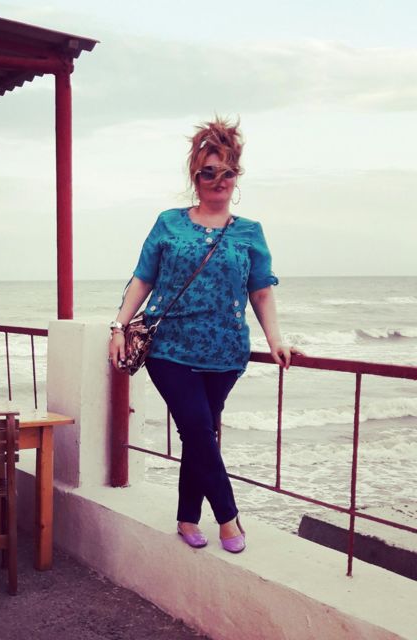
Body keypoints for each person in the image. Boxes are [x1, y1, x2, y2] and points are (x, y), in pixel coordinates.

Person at [108, 117, 301, 553]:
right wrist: (118, 326)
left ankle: (187, 517)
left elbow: (261, 292)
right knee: (197, 429)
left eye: (227, 171)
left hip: (226, 353)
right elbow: (142, 278)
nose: (218, 180)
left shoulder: (250, 232)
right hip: (169, 349)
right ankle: (229, 518)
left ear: (237, 176)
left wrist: (276, 340)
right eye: (208, 172)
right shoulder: (169, 223)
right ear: (195, 177)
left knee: (200, 436)